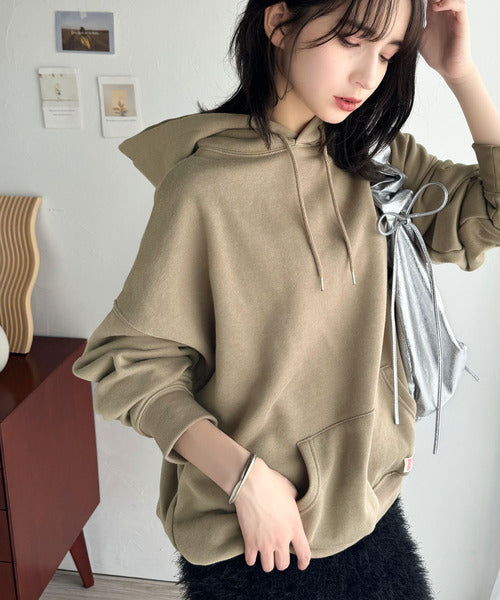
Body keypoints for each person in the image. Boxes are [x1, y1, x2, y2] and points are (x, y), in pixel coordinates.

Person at [72, 0, 500, 597]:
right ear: (278, 23)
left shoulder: (378, 164)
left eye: (386, 54)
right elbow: (131, 366)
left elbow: (492, 212)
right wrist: (247, 481)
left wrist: (462, 73)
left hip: (369, 509)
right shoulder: (204, 188)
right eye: (351, 40)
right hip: (257, 534)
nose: (367, 76)